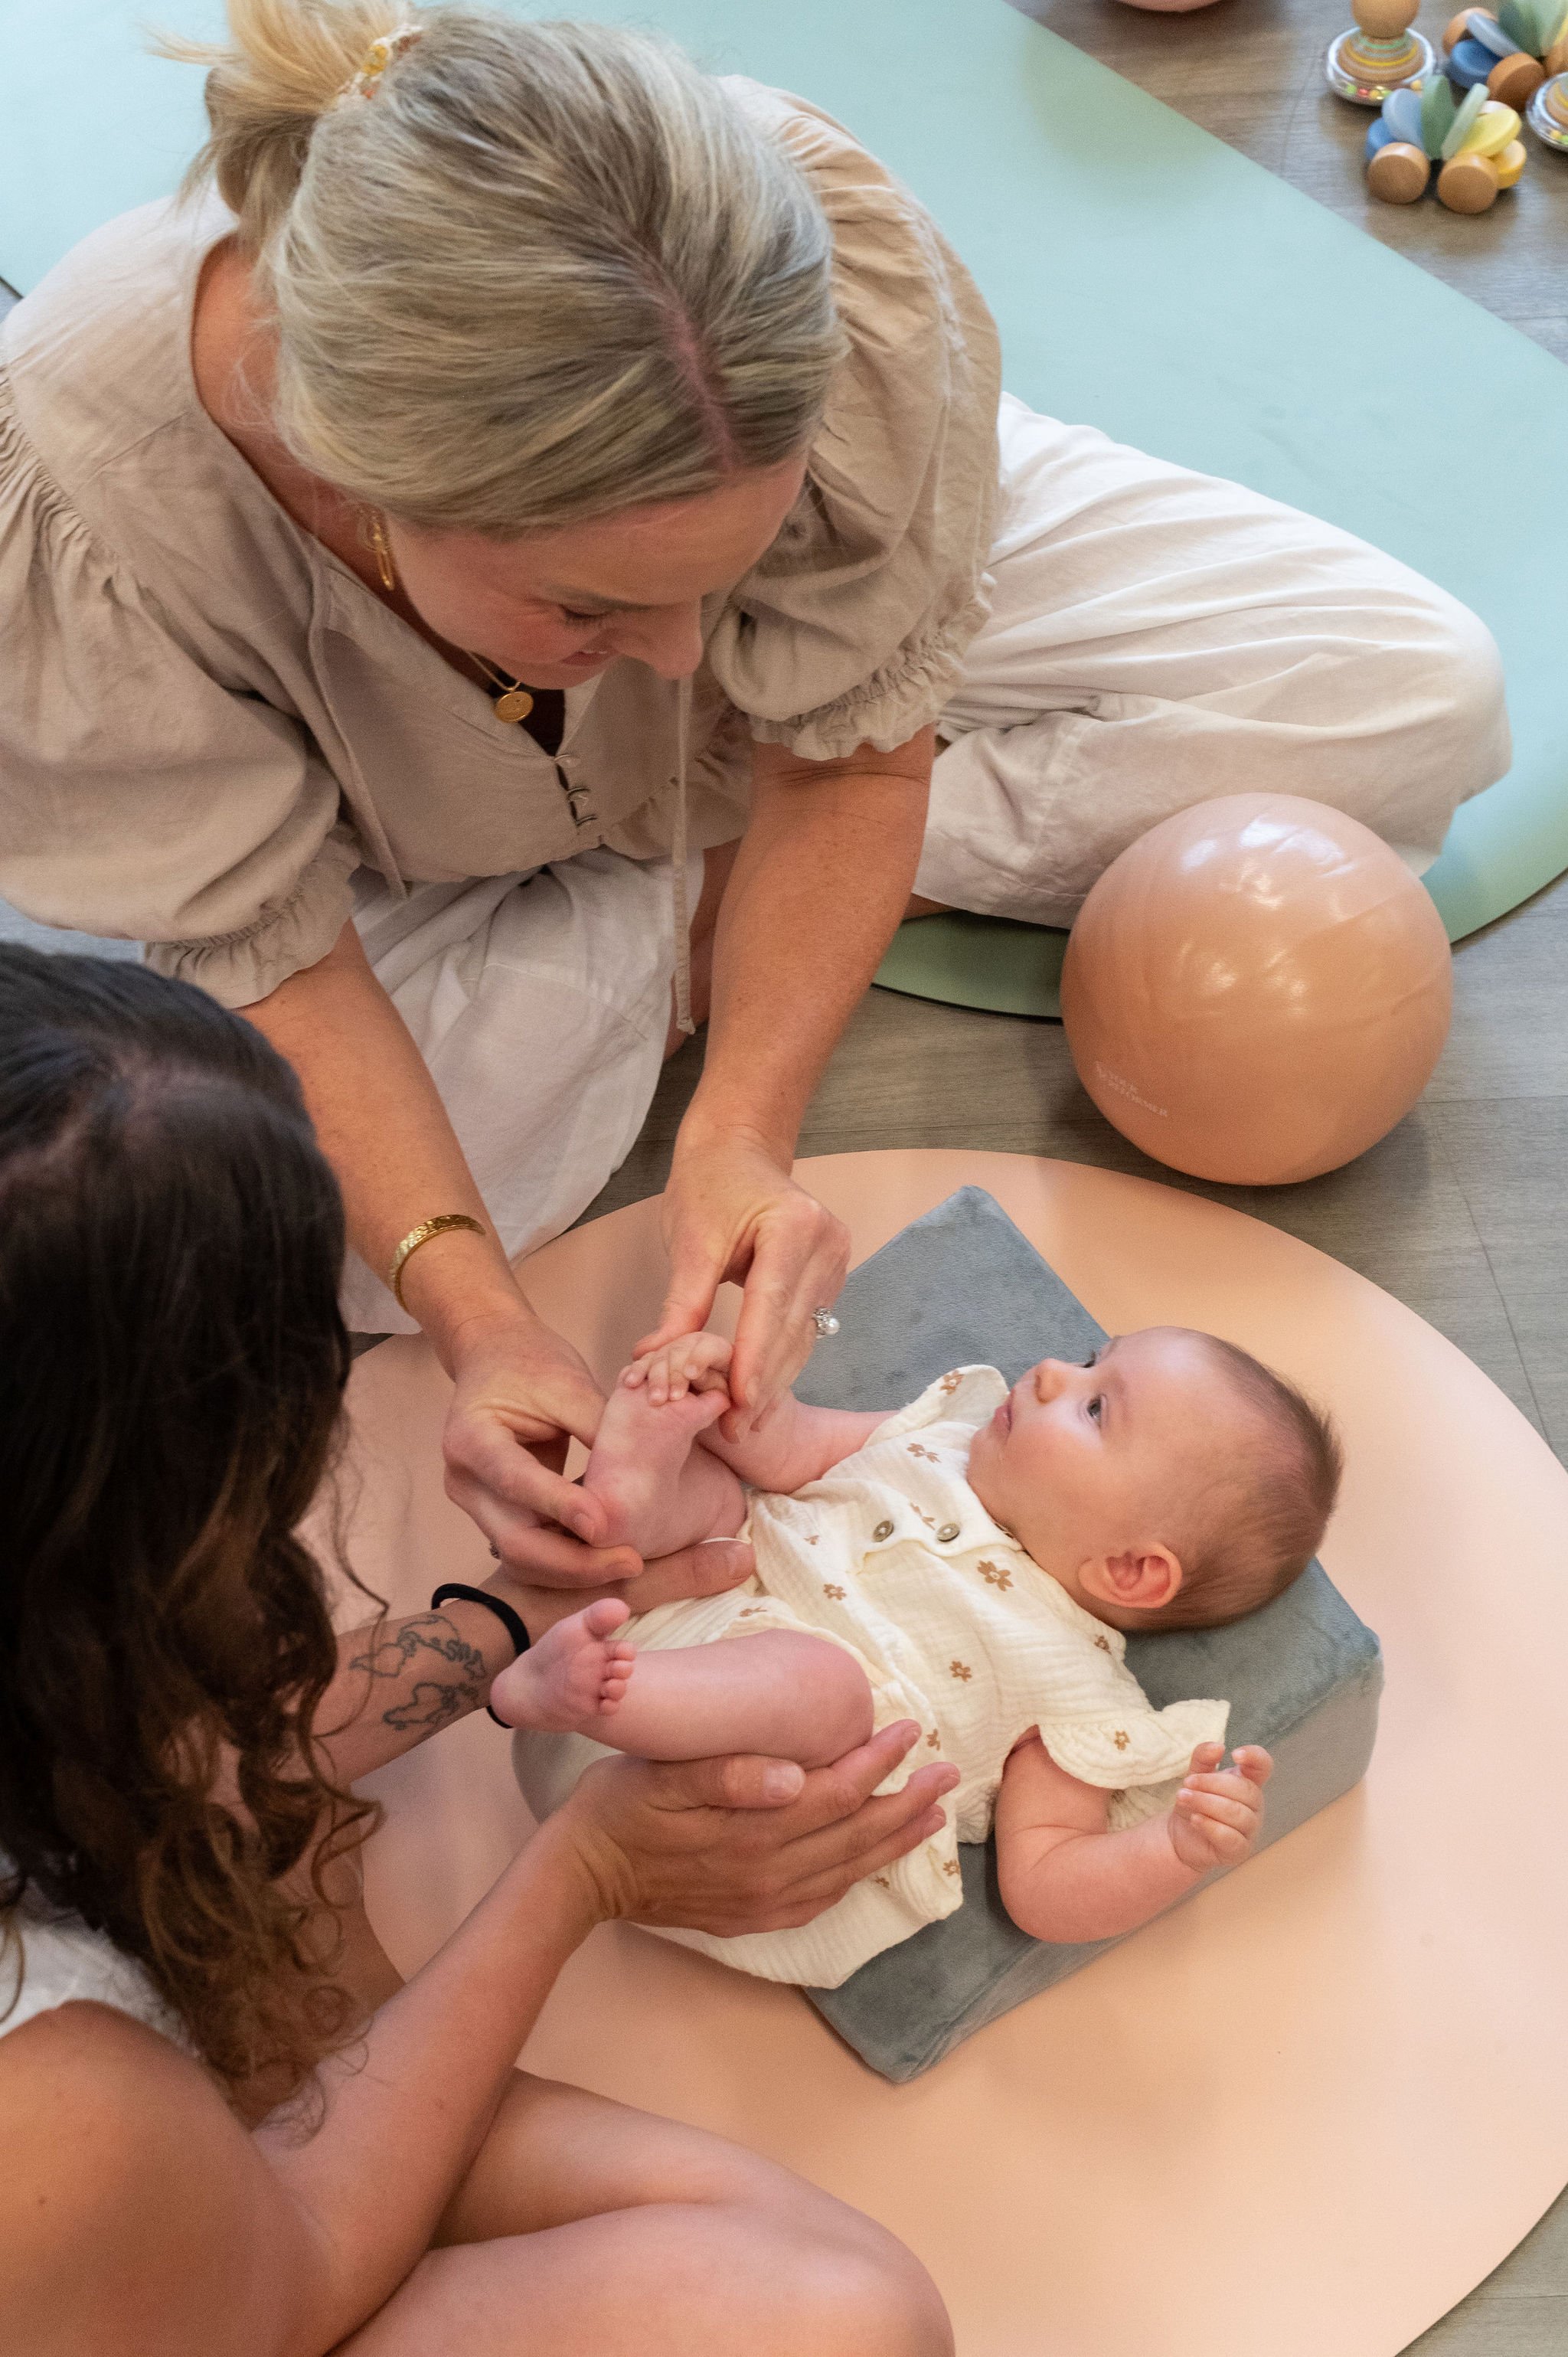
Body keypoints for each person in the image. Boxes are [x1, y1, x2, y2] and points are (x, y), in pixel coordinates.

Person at [0, 2, 1507, 1593]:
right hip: (398, 868)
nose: (682, 659)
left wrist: (740, 1133)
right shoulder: (87, 507)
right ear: (367, 492)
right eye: (589, 611)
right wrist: (486, 1322)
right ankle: (695, 911)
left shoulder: (800, 266)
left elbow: (843, 745)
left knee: (1413, 695)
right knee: (264, 1228)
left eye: (728, 576)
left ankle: (682, 923)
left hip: (777, 627)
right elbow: (282, 958)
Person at [0, 945, 956, 2355]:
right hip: (185, 2264)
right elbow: (283, 2281)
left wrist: (511, 1612)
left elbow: (143, 1744)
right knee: (847, 2318)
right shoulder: (59, 2109)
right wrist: (586, 1866)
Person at [495, 1328, 1338, 1986]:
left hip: (733, 1816)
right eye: (1088, 1361)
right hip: (674, 1612)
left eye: (1093, 1408)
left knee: (823, 1687)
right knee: (718, 1494)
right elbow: (782, 1449)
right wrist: (718, 1395)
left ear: (1129, 1569)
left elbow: (1045, 1882)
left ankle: (592, 1693)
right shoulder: (948, 1431)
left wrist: (1170, 1850)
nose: (1048, 1369)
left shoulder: (1078, 1686)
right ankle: (618, 1503)